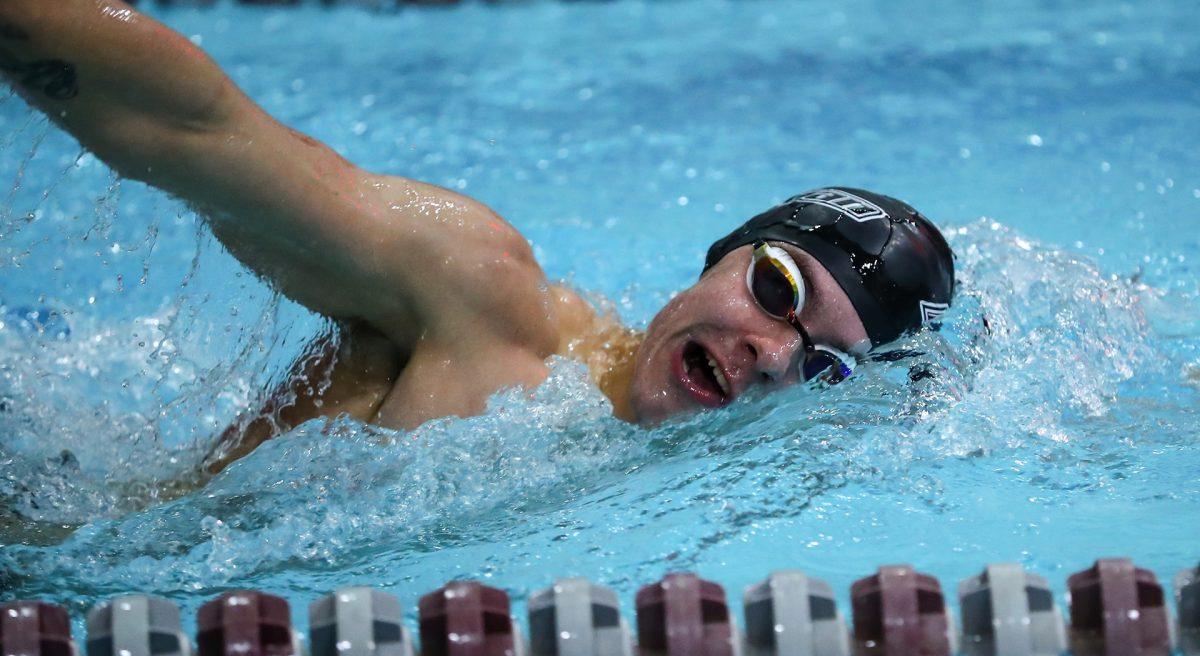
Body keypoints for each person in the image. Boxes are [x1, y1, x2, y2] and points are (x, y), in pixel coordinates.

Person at [1, 0, 954, 476]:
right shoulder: (485, 300)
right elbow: (202, 131)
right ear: (726, 251)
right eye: (780, 290)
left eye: (823, 366)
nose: (771, 356)